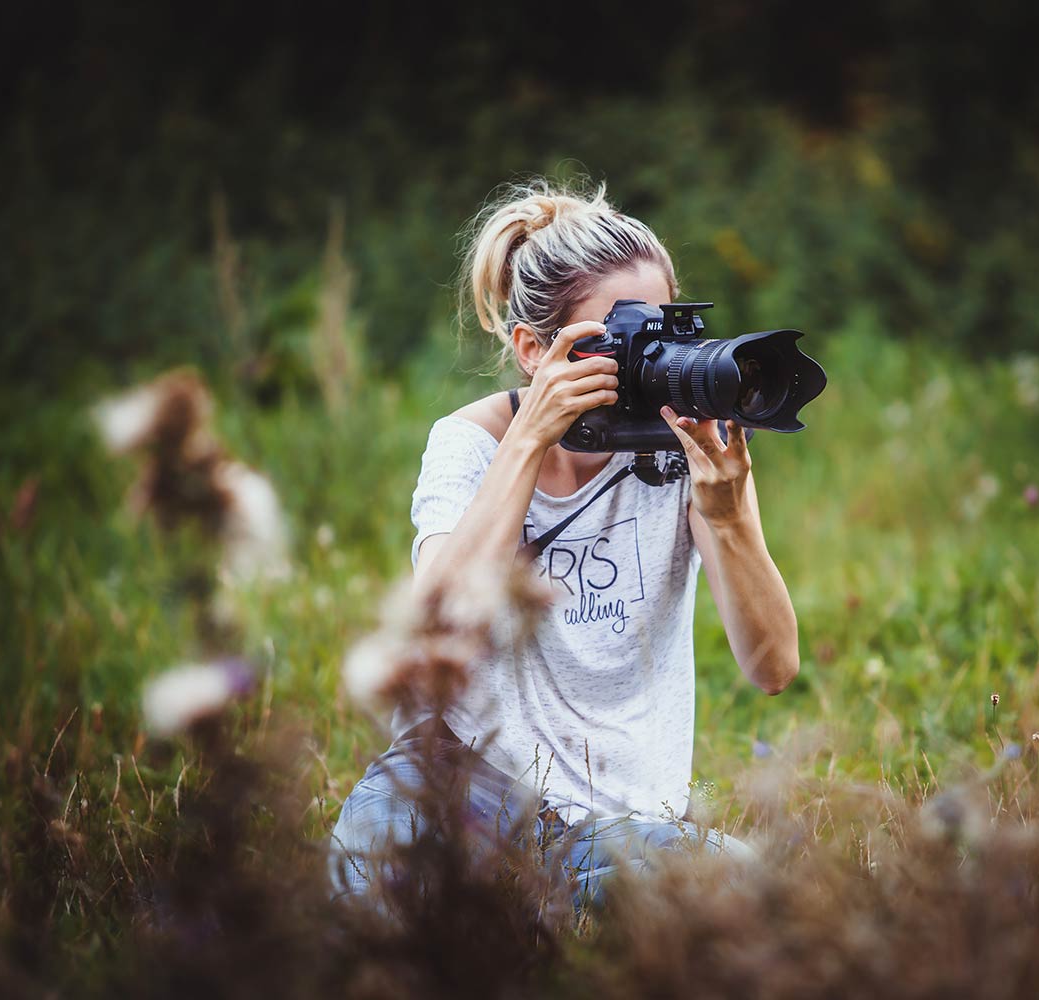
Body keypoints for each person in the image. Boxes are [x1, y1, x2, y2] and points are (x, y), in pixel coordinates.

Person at [330, 178, 800, 908]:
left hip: (621, 821)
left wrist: (729, 511)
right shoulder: (469, 444)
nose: (651, 364)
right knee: (376, 903)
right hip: (463, 786)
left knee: (762, 898)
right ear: (532, 350)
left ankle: (543, 913)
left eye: (665, 333)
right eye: (624, 341)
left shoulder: (687, 446)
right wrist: (528, 441)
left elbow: (773, 666)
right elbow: (429, 629)